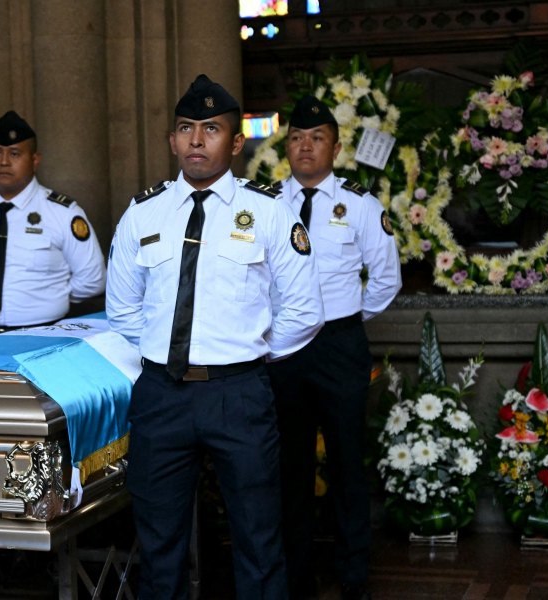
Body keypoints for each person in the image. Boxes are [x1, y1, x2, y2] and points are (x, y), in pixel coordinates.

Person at [106, 74, 325, 600]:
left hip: (239, 395)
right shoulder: (143, 213)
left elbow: (304, 310)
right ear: (172, 140)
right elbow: (122, 309)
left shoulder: (271, 211)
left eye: (211, 129)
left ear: (236, 141)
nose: (196, 140)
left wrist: (246, 352)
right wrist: (167, 351)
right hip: (162, 395)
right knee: (160, 548)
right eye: (186, 128)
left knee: (258, 540)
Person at [267, 95, 402, 600]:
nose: (306, 147)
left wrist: (342, 321)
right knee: (291, 466)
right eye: (297, 138)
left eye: (316, 138)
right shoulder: (264, 205)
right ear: (287, 147)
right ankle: (296, 575)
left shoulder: (361, 205)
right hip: (282, 351)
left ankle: (353, 573)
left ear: (336, 146)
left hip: (339, 346)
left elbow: (385, 280)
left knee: (347, 463)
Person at [0, 110, 106, 343]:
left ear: (35, 160)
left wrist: (49, 297)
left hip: (42, 336)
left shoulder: (62, 212)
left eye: (15, 153)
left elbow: (92, 279)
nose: (4, 162)